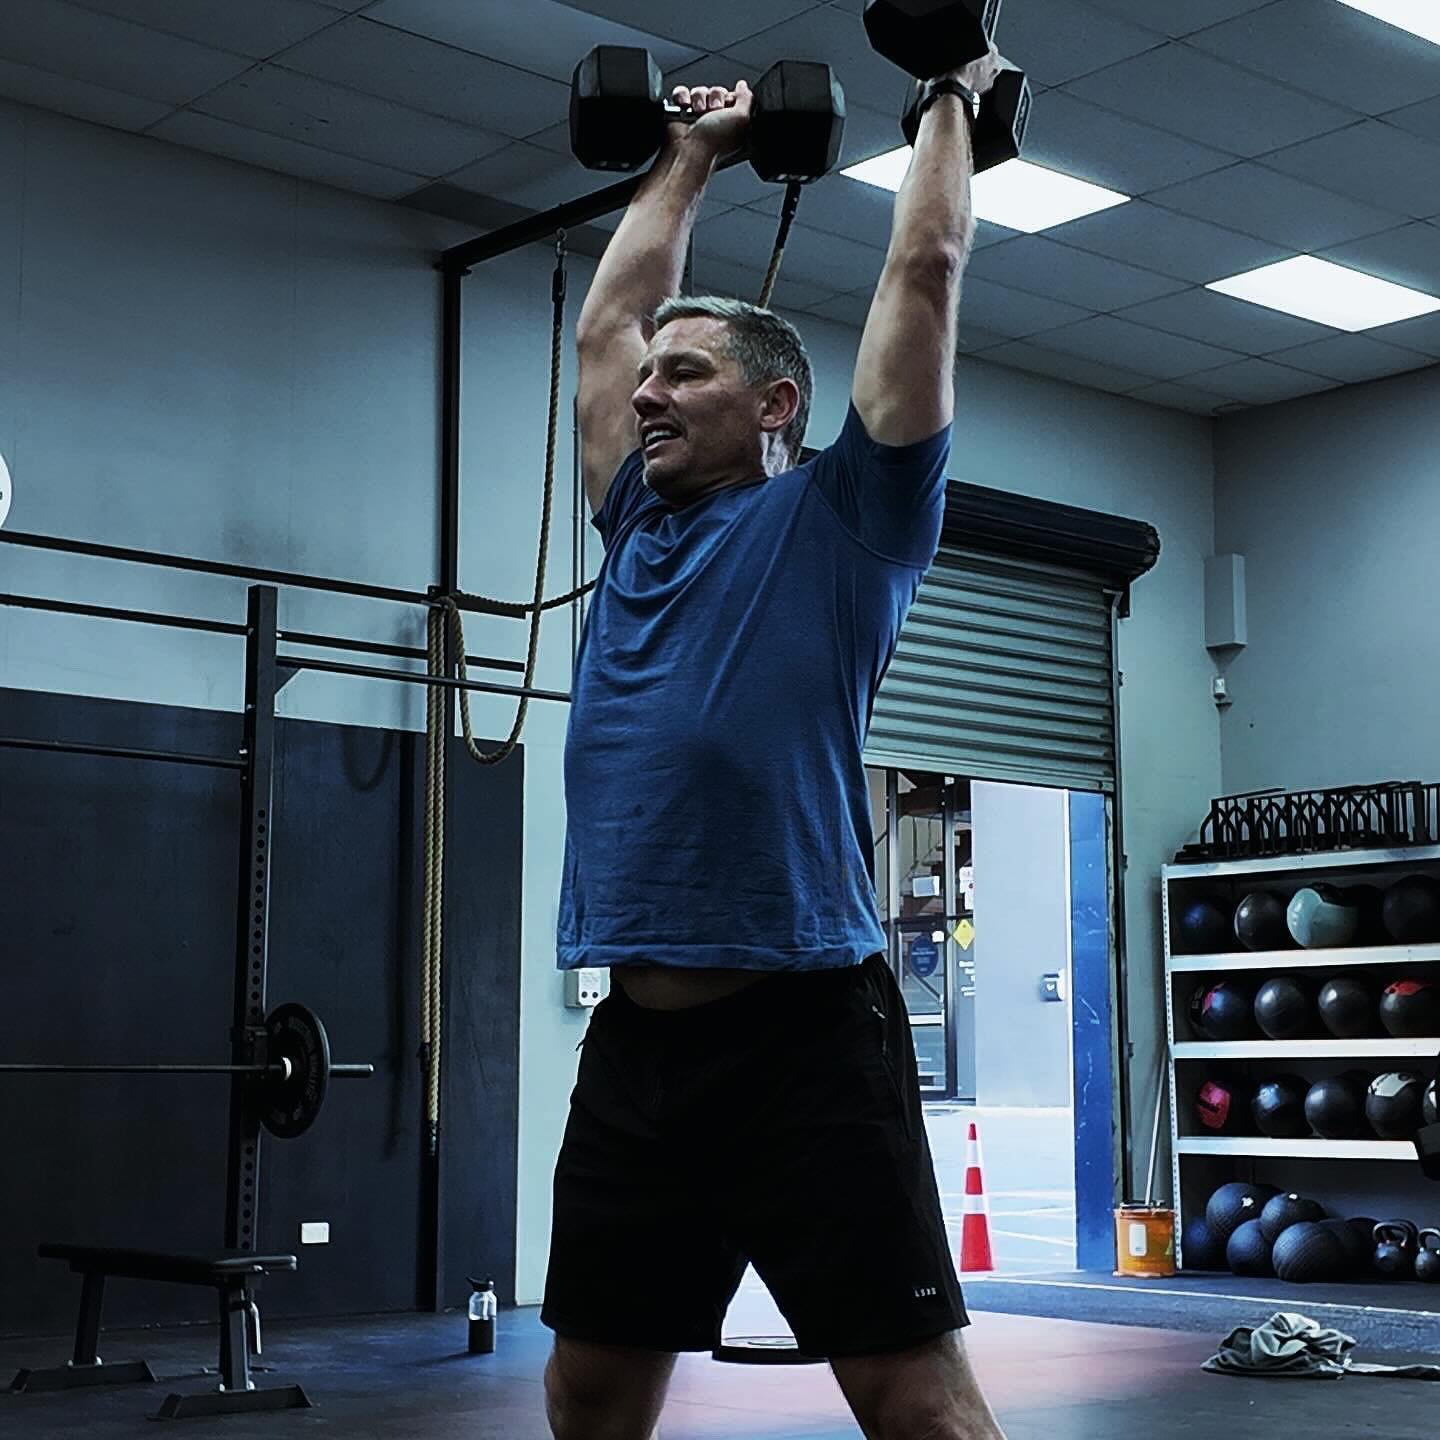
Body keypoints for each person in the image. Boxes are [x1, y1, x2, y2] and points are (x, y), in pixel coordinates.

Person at [542, 42, 1009, 1440]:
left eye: (687, 377)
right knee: (590, 1387)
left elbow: (920, 278)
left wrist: (943, 98)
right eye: (653, 382)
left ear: (775, 408)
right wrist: (692, 157)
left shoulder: (847, 523)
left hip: (806, 1040)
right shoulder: (636, 524)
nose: (649, 395)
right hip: (639, 1045)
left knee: (912, 1400)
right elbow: (600, 329)